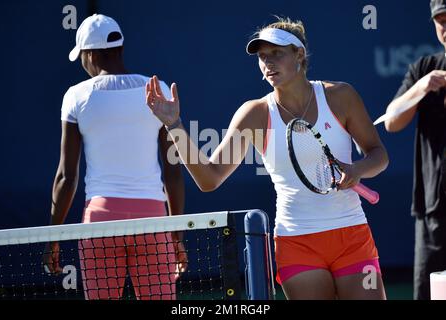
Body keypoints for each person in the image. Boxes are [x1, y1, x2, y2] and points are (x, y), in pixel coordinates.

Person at [146, 16, 389, 300]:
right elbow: (209, 179)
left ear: (299, 54)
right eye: (262, 56)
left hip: (352, 236)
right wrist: (174, 125)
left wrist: (358, 169)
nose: (268, 63)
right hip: (296, 243)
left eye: (277, 53)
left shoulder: (340, 96)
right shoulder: (255, 114)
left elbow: (378, 154)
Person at [42, 14, 187, 300]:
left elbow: (65, 177)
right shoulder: (157, 91)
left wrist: (52, 239)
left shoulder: (75, 96)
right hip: (153, 221)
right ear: (119, 48)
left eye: (82, 56)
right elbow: (173, 172)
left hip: (100, 221)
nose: (83, 64)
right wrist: (177, 234)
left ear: (90, 53)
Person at [385, 0, 446, 300]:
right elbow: (392, 121)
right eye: (441, 20)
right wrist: (421, 87)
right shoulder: (424, 68)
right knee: (432, 293)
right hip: (434, 207)